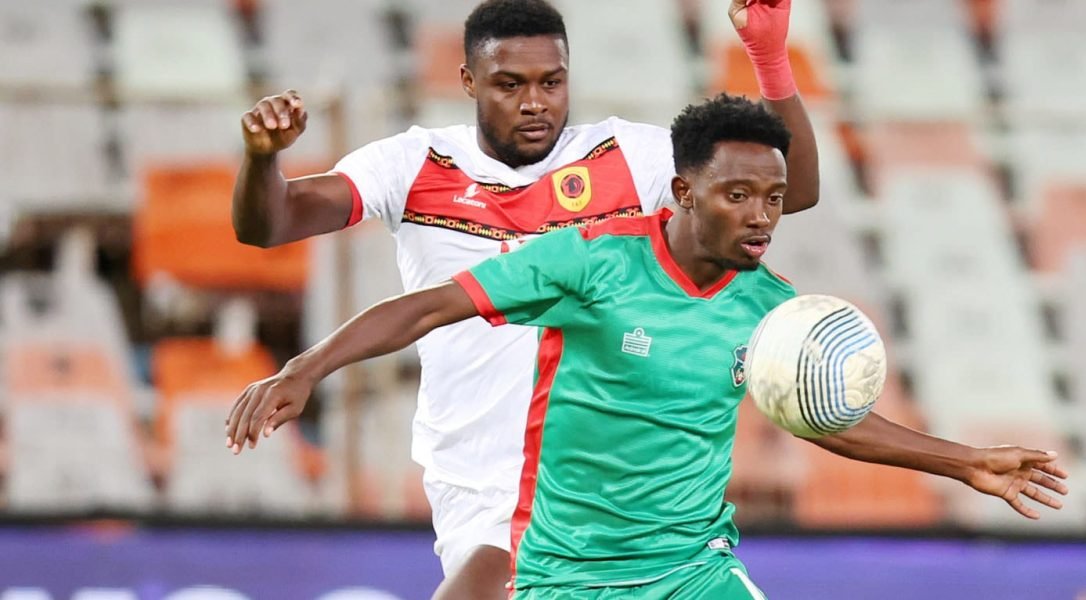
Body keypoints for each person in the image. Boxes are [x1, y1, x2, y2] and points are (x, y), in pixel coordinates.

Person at [225, 95, 1069, 599]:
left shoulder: (772, 311)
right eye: (738, 195)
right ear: (683, 191)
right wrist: (308, 367)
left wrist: (964, 463)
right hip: (564, 574)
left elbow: (827, 419)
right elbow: (431, 307)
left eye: (774, 199)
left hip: (691, 570)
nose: (762, 217)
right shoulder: (591, 261)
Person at [229, 0, 819, 597]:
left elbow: (786, 190)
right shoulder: (413, 164)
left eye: (551, 82)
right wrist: (262, 158)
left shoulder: (627, 157)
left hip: (590, 479)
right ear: (469, 81)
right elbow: (271, 223)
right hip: (475, 477)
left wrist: (768, 58)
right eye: (510, 85)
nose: (535, 102)